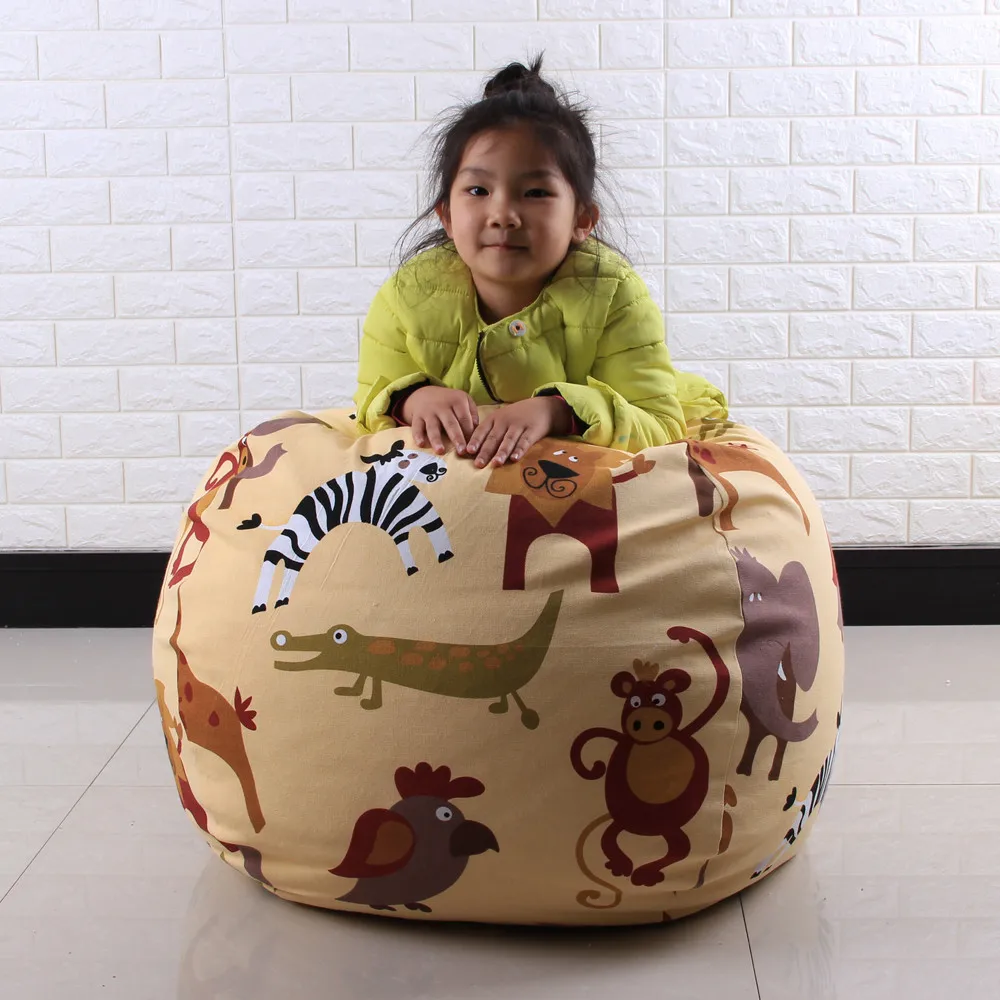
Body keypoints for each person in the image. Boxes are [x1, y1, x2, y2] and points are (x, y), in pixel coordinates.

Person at [353, 56, 727, 468]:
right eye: (478, 190)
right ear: (447, 217)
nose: (503, 215)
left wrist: (559, 411)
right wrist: (412, 399)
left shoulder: (613, 294)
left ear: (581, 219)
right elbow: (371, 400)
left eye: (535, 193)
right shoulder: (407, 295)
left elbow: (659, 423)